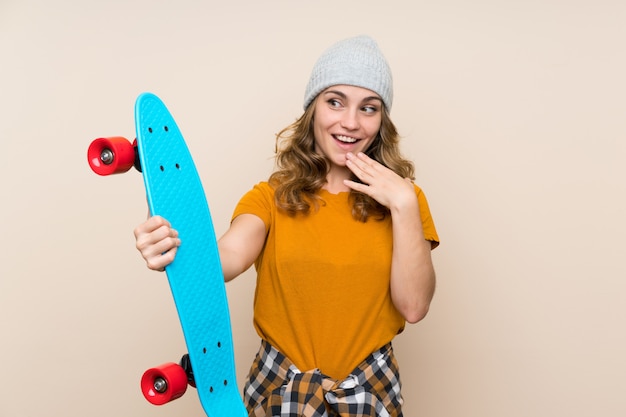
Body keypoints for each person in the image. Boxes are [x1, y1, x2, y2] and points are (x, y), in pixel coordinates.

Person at [133, 35, 439, 417]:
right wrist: (168, 243)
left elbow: (413, 306)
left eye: (369, 108)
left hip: (370, 393)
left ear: (382, 120)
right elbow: (222, 260)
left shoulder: (405, 202)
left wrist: (405, 204)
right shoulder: (271, 197)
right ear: (313, 110)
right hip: (279, 391)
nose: (350, 122)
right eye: (335, 101)